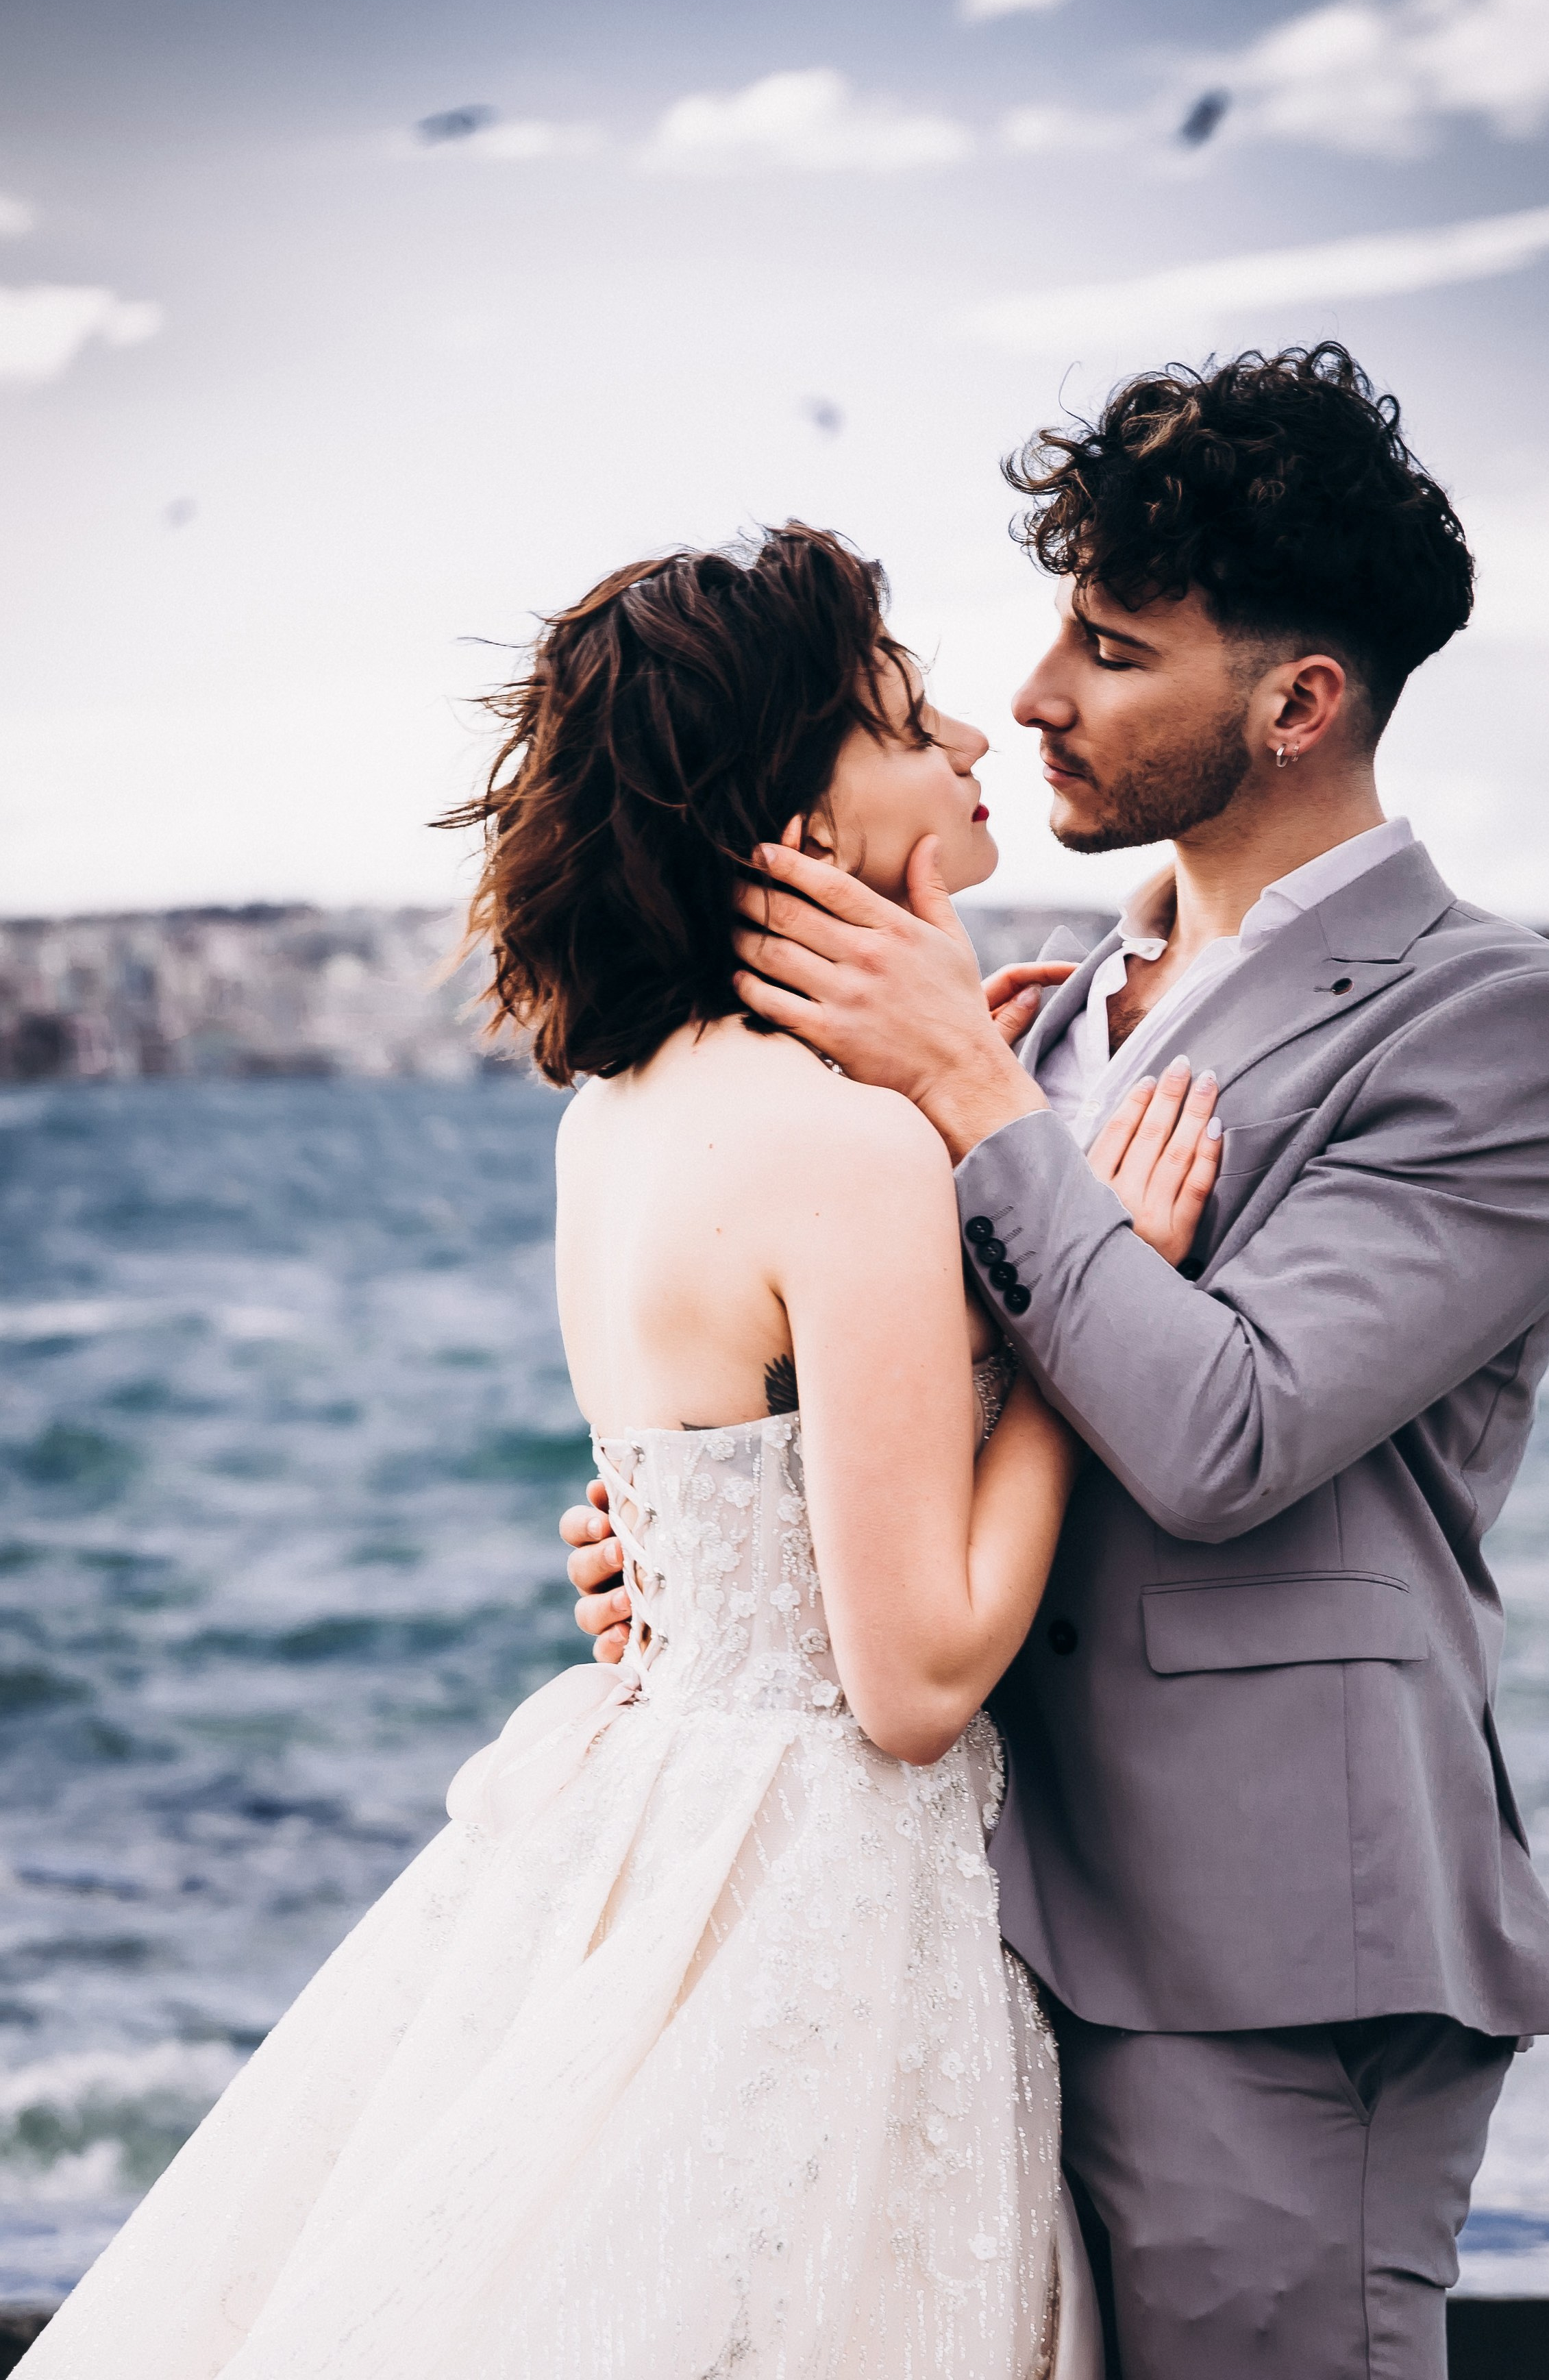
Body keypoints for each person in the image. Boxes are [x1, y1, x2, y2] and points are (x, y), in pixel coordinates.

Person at [16, 527, 1215, 2380]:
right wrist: (1088, 1303)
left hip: (651, 1824)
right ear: (803, 833)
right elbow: (913, 1680)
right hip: (825, 1884)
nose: (974, 735)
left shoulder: (624, 1115)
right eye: (907, 719)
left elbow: (738, 1480)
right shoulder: (851, 1154)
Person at [567, 348, 1549, 2379]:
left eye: (1110, 647)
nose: (1036, 696)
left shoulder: (1515, 1033)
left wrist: (979, 1099)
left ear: (1297, 701)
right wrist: (710, 1556)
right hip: (952, 1914)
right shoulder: (1042, 1020)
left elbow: (1227, 1431)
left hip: (1265, 1957)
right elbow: (927, 1405)